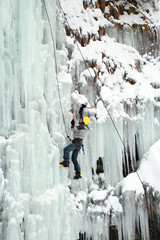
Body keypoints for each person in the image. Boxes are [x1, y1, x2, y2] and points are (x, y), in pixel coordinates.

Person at [59, 104, 90, 180]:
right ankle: (78, 173)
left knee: (66, 150)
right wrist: (81, 110)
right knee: (74, 159)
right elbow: (80, 119)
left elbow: (73, 129)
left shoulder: (81, 127)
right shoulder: (85, 127)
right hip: (78, 144)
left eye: (81, 120)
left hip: (77, 143)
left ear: (83, 121)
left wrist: (72, 125)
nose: (80, 120)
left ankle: (66, 162)